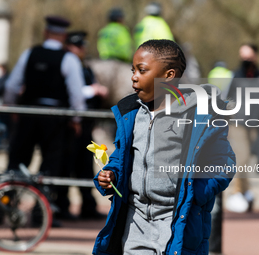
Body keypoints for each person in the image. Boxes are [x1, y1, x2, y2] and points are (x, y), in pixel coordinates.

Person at [93, 39, 235, 255]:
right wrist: (112, 173)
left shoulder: (197, 116)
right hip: (135, 221)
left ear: (168, 76)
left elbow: (223, 164)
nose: (133, 76)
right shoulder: (131, 113)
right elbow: (122, 157)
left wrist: (193, 194)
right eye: (133, 70)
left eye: (142, 70)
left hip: (178, 222)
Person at [3, 16, 86, 226]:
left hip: (28, 113)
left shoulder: (30, 53)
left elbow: (12, 86)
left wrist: (11, 107)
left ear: (45, 33)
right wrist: (77, 118)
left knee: (17, 159)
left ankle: (3, 205)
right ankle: (41, 214)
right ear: (64, 36)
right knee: (50, 165)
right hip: (54, 118)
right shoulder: (69, 59)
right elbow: (77, 94)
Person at [55, 31, 108, 220]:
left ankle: (88, 205)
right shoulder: (66, 62)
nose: (82, 50)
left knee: (85, 164)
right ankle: (61, 205)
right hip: (71, 123)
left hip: (85, 124)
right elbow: (70, 91)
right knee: (66, 164)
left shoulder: (85, 67)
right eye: (78, 46)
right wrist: (91, 90)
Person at [225, 43, 259, 213]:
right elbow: (227, 98)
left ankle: (246, 191)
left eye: (249, 57)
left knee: (249, 160)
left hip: (257, 124)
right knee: (241, 158)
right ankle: (238, 193)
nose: (246, 60)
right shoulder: (235, 75)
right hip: (239, 123)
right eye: (243, 57)